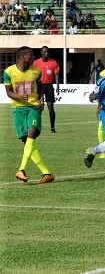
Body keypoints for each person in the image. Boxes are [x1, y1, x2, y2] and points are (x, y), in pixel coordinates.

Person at [5, 46, 55, 184]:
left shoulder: (36, 71)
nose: (33, 57)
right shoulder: (8, 72)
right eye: (31, 55)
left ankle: (21, 169)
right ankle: (46, 173)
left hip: (34, 108)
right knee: (28, 142)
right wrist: (19, 96)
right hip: (18, 110)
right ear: (22, 57)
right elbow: (8, 92)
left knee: (31, 135)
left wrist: (41, 98)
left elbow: (40, 87)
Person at [33, 46, 60, 134]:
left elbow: (56, 75)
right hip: (39, 86)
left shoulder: (53, 63)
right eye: (45, 52)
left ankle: (52, 128)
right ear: (41, 52)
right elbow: (33, 75)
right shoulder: (36, 63)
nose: (46, 53)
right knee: (38, 107)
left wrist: (57, 86)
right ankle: (36, 127)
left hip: (49, 86)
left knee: (51, 108)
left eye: (48, 52)